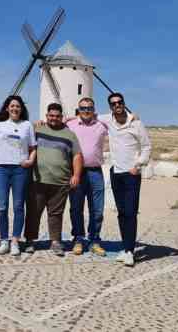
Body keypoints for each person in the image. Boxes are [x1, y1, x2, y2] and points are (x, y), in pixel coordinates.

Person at [24, 103, 83, 256]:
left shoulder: (69, 134)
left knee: (56, 213)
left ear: (61, 117)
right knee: (33, 211)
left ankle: (55, 241)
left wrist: (76, 175)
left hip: (61, 181)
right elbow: (26, 143)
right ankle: (30, 240)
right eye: (51, 116)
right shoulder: (37, 130)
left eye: (57, 116)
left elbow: (77, 155)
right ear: (46, 116)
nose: (54, 118)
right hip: (38, 180)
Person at [100, 92, 151, 267]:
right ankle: (126, 247)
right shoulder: (108, 120)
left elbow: (146, 146)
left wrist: (138, 165)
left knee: (130, 212)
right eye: (113, 104)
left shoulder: (136, 123)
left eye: (119, 102)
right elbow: (87, 116)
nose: (117, 105)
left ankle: (130, 251)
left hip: (131, 174)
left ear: (124, 103)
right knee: (121, 212)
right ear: (110, 107)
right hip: (116, 173)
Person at [0, 95, 37, 256]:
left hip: (20, 170)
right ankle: (3, 241)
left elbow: (33, 147)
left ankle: (15, 240)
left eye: (18, 106)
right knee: (2, 207)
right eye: (12, 106)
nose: (15, 108)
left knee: (18, 206)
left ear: (21, 109)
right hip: (1, 169)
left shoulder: (27, 125)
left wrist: (30, 161)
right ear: (7, 108)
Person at [66, 97, 109, 256]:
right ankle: (78, 239)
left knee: (97, 210)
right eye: (83, 108)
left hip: (95, 172)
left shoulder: (102, 125)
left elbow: (117, 121)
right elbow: (54, 125)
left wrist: (133, 117)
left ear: (94, 109)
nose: (86, 111)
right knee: (76, 208)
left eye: (89, 108)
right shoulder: (70, 124)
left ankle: (94, 240)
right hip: (76, 172)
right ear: (79, 109)